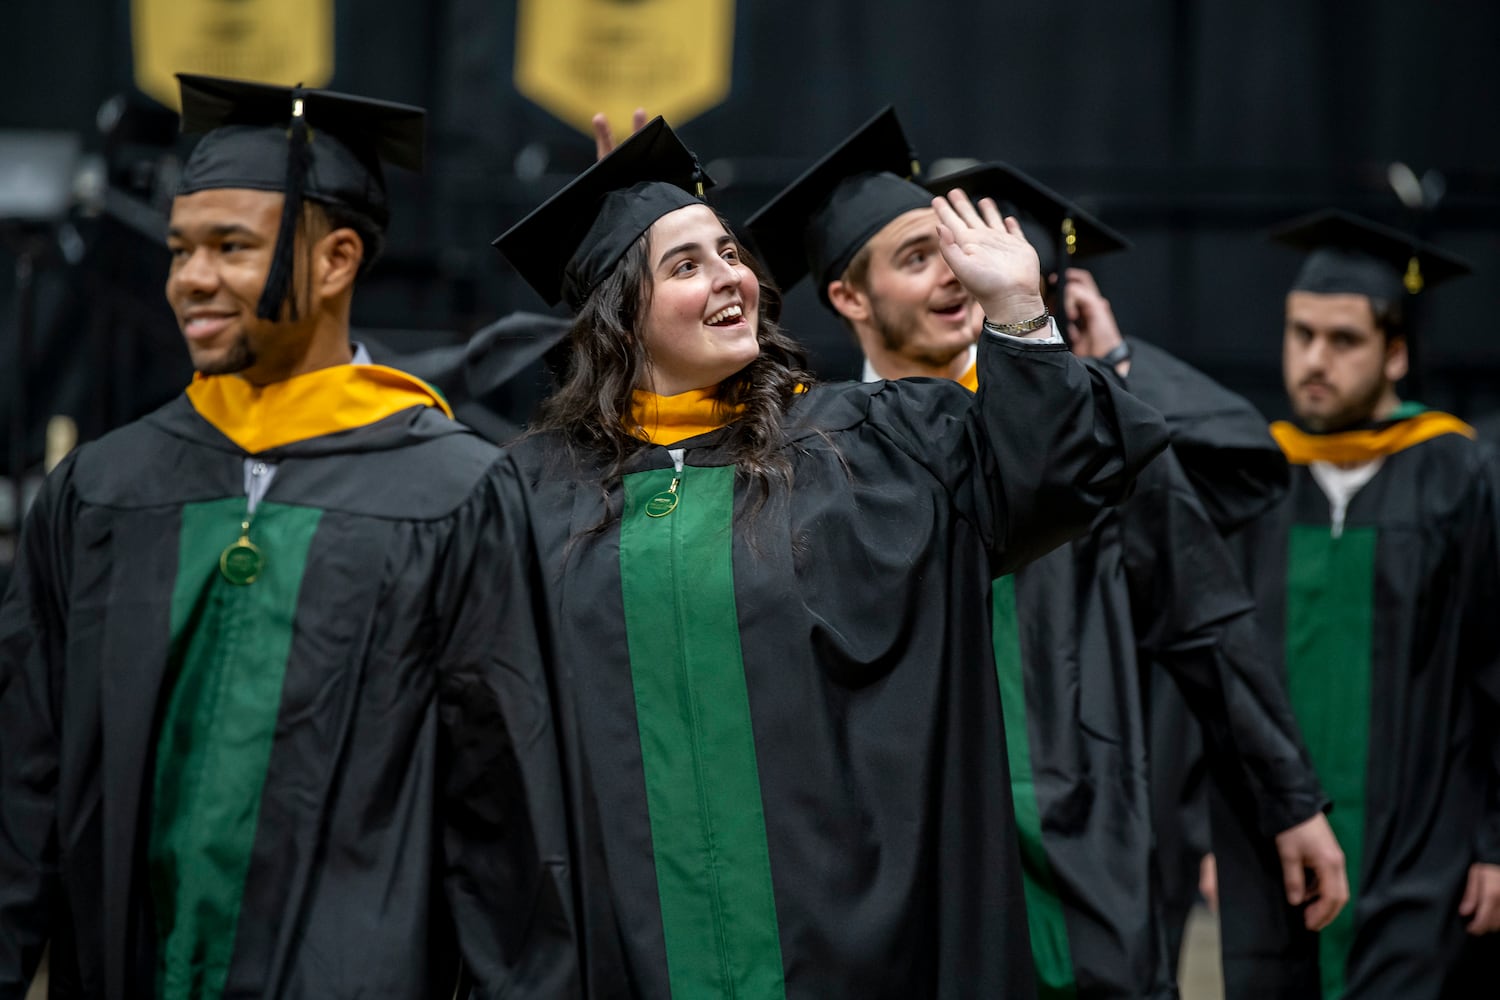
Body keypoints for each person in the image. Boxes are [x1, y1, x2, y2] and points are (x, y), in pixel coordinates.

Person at [490, 115, 1167, 998]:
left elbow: (1057, 476)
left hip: (853, 945)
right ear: (620, 315)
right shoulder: (540, 493)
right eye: (685, 265)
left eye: (729, 252)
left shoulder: (869, 445)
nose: (731, 274)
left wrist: (1018, 314)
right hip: (630, 946)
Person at [0, 75, 574, 999]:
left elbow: (504, 820)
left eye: (231, 247)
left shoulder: (455, 492)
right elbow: (20, 784)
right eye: (181, 248)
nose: (192, 278)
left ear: (338, 259)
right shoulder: (103, 491)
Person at [746, 121, 1345, 998]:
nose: (953, 273)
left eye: (956, 248)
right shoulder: (824, 457)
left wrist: (1291, 801)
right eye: (917, 257)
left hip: (1080, 824)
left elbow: (1203, 618)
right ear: (848, 298)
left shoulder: (1073, 430)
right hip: (905, 843)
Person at [1207, 208, 1500, 999]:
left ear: (1395, 353)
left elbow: (1491, 665)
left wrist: (1494, 842)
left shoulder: (1458, 475)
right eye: (1301, 334)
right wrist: (1205, 831)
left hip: (1422, 847)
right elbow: (1214, 668)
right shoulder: (1260, 475)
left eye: (1343, 341)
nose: (1314, 360)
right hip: (1275, 849)